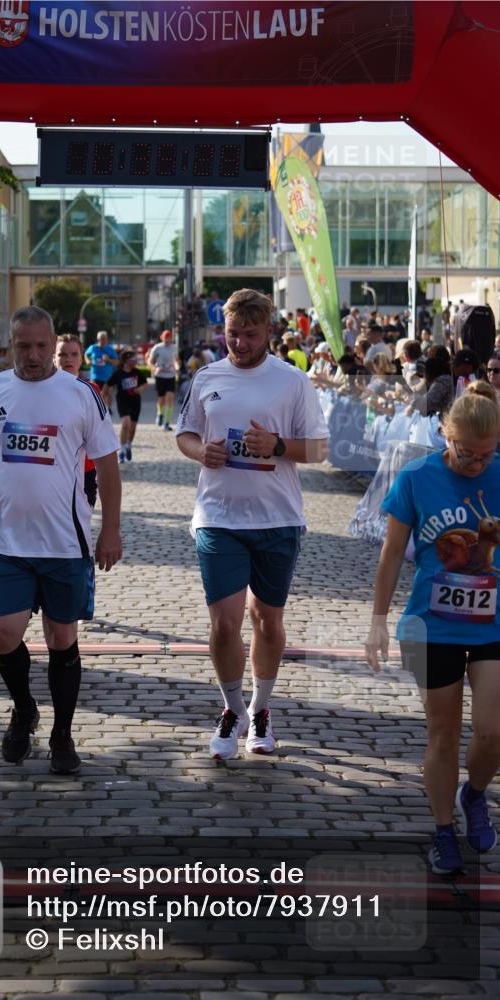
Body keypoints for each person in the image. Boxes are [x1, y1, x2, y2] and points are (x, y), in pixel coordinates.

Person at [0, 306, 122, 775]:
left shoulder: (81, 394)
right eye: (23, 346)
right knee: (4, 635)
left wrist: (110, 529)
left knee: (61, 638)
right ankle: (25, 708)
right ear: (11, 345)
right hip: (7, 542)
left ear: (54, 345)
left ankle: (62, 734)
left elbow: (108, 465)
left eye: (41, 346)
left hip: (65, 543)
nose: (32, 355)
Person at [176, 289, 329, 759]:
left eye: (250, 334)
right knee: (225, 624)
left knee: (266, 619)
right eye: (232, 334)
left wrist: (277, 446)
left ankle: (261, 709)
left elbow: (320, 449)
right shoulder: (207, 377)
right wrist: (201, 451)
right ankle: (232, 709)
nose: (240, 344)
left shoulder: (292, 381)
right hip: (218, 516)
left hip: (277, 518)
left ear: (268, 332)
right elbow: (185, 434)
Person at [365, 387, 500, 874]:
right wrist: (378, 620)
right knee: (442, 733)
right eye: (467, 453)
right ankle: (444, 831)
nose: (476, 464)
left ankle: (474, 794)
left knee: (493, 732)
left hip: (493, 624)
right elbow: (390, 554)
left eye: (486, 454)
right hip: (429, 626)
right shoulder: (417, 477)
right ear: (446, 435)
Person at [55, 333, 99, 506]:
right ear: (53, 358)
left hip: (84, 470)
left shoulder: (91, 390)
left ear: (81, 359)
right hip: (52, 471)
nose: (68, 359)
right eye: (62, 354)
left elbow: (100, 437)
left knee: (82, 520)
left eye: (74, 354)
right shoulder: (39, 391)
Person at [107, 349, 148, 463]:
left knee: (132, 427)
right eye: (133, 359)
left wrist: (140, 389)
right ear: (126, 360)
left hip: (135, 402)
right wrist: (105, 396)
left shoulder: (137, 372)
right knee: (126, 424)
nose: (136, 361)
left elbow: (145, 384)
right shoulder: (118, 373)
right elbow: (108, 385)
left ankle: (129, 445)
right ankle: (122, 451)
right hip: (122, 402)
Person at [148, 329, 178, 430]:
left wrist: (177, 366)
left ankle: (166, 423)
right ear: (162, 338)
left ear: (171, 339)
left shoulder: (174, 348)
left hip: (171, 376)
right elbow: (150, 361)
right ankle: (160, 413)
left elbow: (176, 360)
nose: (167, 341)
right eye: (166, 339)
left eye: (169, 339)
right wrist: (155, 368)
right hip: (160, 376)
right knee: (161, 399)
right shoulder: (157, 348)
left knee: (170, 398)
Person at [85, 330, 119, 410]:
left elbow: (116, 362)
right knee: (95, 394)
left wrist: (108, 359)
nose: (103, 340)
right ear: (98, 339)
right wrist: (88, 361)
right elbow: (86, 354)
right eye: (101, 339)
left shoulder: (110, 349)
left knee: (107, 394)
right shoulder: (93, 347)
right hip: (95, 375)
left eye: (104, 338)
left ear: (107, 339)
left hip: (107, 376)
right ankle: (98, 409)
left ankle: (108, 409)